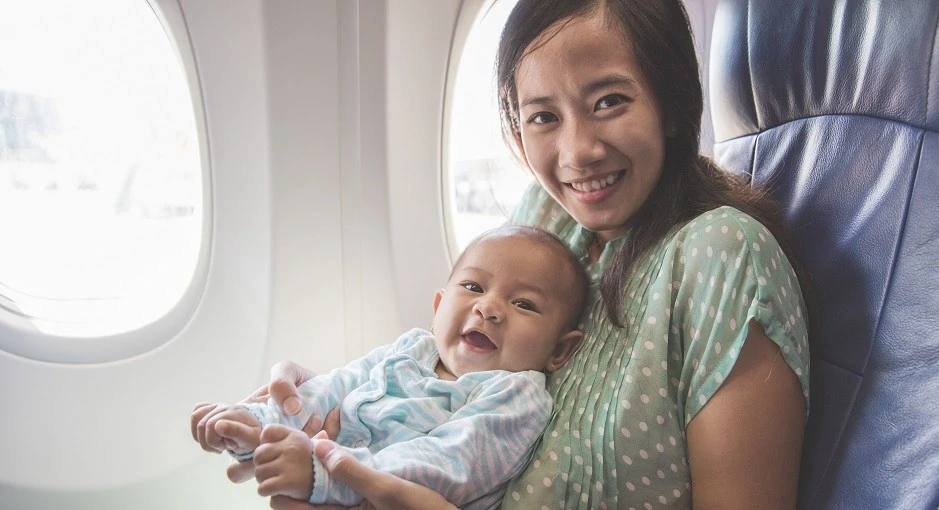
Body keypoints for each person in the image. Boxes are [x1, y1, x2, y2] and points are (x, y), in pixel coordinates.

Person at [239, 0, 815, 508]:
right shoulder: (544, 219)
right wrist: (331, 401)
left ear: (671, 104)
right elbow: (456, 388)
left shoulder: (724, 255)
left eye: (610, 101)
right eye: (543, 117)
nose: (577, 152)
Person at [191, 225, 589, 509]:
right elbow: (337, 386)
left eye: (524, 304)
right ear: (438, 307)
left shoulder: (516, 395)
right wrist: (260, 422)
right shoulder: (414, 348)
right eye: (473, 287)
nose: (488, 308)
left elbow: (450, 462)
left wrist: (326, 471)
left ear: (559, 351)